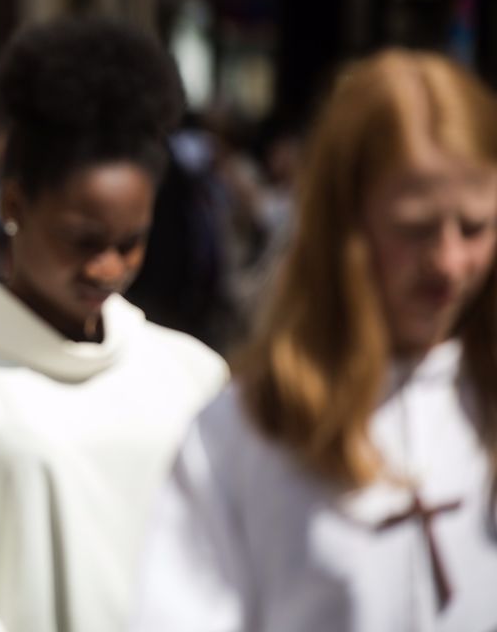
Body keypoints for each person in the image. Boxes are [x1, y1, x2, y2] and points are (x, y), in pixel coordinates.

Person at [0, 17, 228, 630]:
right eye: (83, 240)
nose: (108, 267)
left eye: (131, 242)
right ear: (14, 206)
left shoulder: (193, 375)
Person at [130, 49, 497, 631]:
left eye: (475, 227)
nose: (449, 263)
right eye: (414, 229)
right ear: (345, 224)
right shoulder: (247, 433)